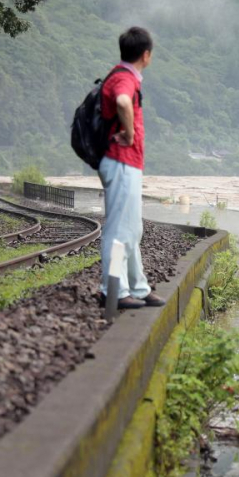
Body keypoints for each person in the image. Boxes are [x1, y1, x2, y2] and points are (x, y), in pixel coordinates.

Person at [98, 27, 165, 309]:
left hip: (127, 163)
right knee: (118, 230)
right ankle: (112, 290)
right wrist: (129, 133)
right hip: (120, 161)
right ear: (146, 55)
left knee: (132, 229)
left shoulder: (124, 76)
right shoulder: (124, 78)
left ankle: (137, 288)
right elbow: (123, 101)